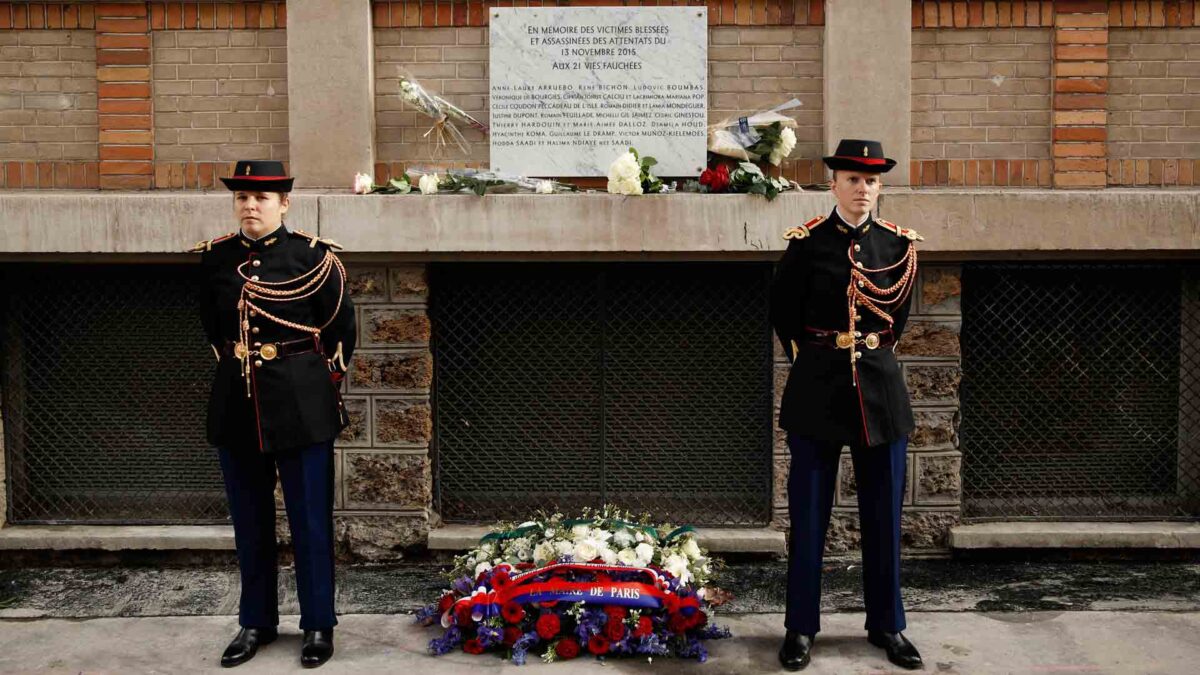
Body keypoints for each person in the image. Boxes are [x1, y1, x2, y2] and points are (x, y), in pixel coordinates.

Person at [191, 160, 356, 669]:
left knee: (310, 520)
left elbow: (341, 333)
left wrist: (315, 386)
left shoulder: (316, 258)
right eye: (242, 197)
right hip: (240, 405)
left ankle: (318, 624)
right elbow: (214, 329)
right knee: (249, 521)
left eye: (262, 198)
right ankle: (256, 621)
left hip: (303, 406)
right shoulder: (215, 259)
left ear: (284, 203)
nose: (250, 205)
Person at [769, 139, 924, 671]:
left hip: (880, 395)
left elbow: (896, 324)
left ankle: (887, 625)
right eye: (853, 179)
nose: (863, 189)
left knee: (884, 516)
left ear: (880, 187)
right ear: (834, 183)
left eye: (872, 181)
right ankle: (800, 629)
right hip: (817, 390)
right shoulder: (806, 244)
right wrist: (816, 359)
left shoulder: (898, 247)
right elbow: (785, 313)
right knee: (809, 515)